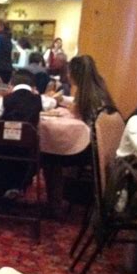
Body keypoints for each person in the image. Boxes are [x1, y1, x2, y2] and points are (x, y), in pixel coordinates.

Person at [42, 55, 117, 217]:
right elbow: (75, 107)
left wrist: (58, 101)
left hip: (87, 148)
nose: (67, 75)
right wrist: (63, 100)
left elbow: (75, 110)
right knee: (52, 154)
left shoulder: (86, 94)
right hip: (99, 148)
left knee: (51, 156)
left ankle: (54, 206)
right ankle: (55, 203)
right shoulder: (98, 88)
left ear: (75, 74)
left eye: (69, 73)